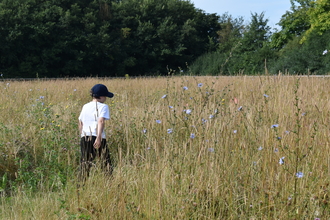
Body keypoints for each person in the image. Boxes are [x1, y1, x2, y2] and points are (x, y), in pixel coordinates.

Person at [78, 84, 114, 178]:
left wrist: (82, 135)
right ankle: (109, 183)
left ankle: (80, 185)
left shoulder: (85, 106)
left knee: (85, 164)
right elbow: (100, 121)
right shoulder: (103, 106)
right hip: (97, 136)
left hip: (85, 137)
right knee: (105, 162)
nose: (106, 98)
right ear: (101, 96)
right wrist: (98, 138)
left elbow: (80, 123)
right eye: (105, 96)